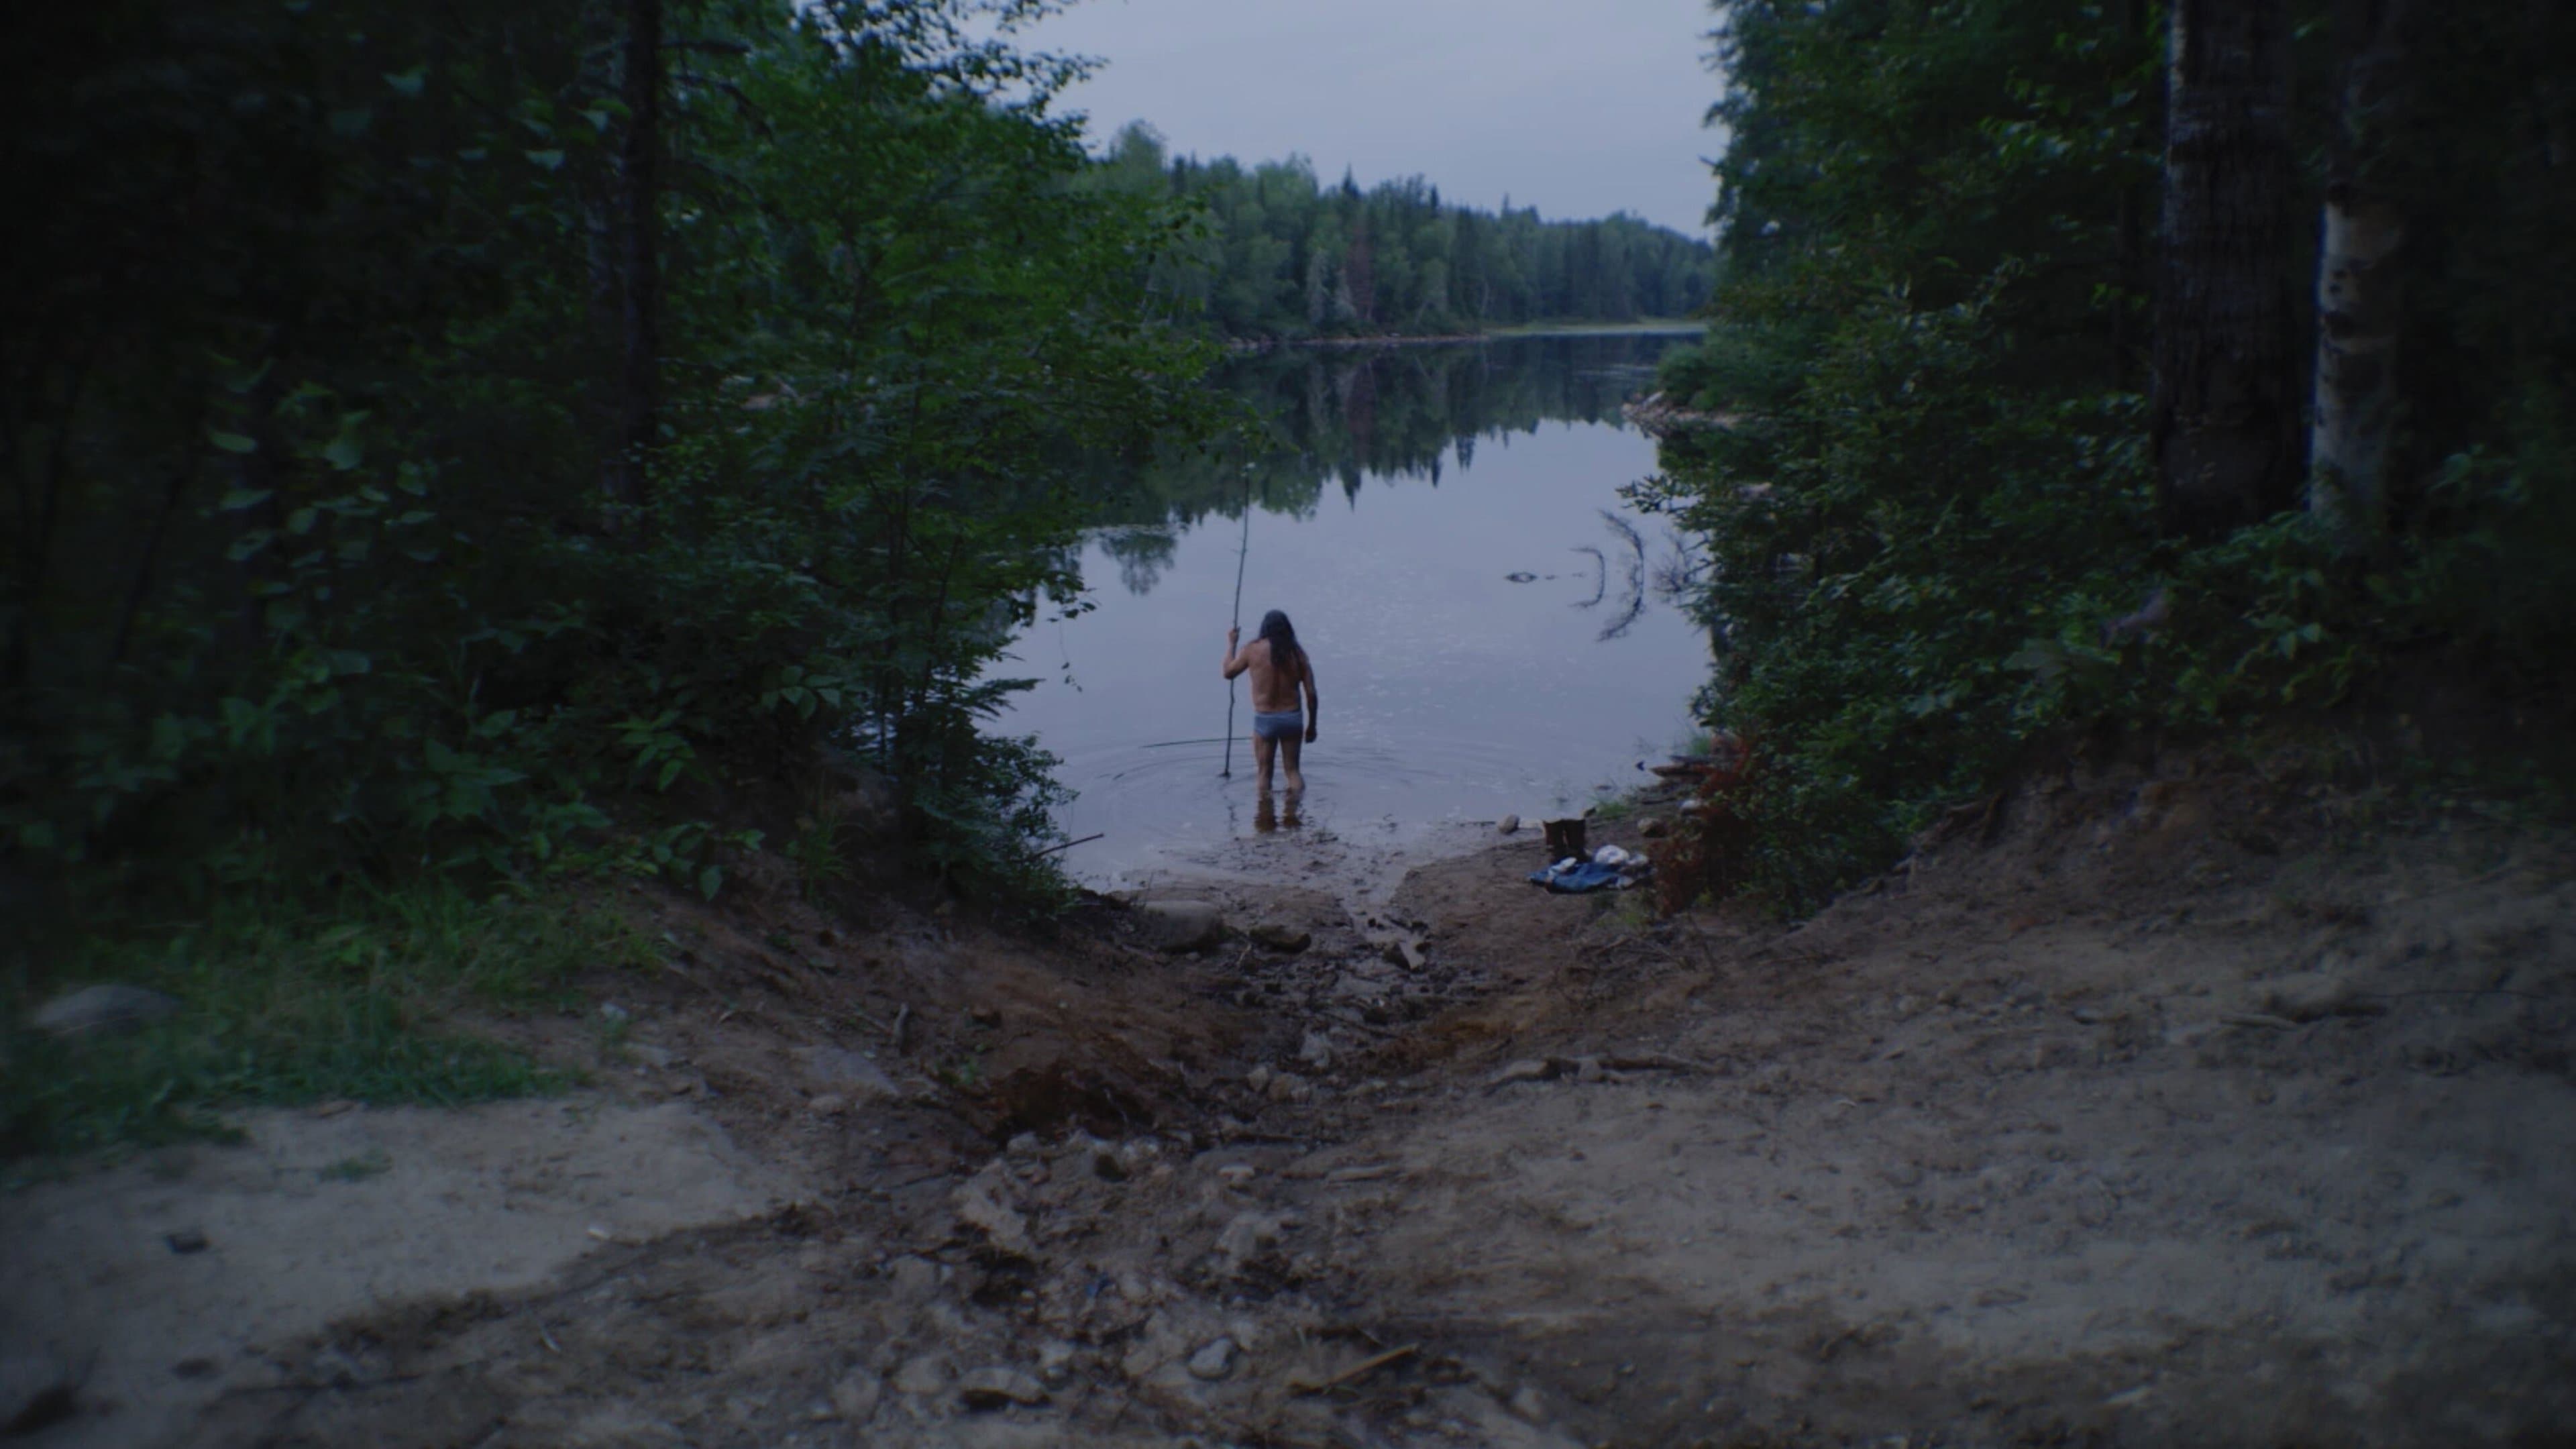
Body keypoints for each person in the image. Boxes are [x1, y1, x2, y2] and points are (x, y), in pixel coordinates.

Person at [1222, 608, 1318, 796]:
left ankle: (1264, 810)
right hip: (1292, 718)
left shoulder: (1252, 650)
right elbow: (1312, 694)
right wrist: (1312, 726)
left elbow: (1228, 673)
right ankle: (1295, 809)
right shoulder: (1298, 653)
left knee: (1264, 773)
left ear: (1264, 628)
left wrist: (1232, 644)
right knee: (1293, 771)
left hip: (1265, 719)